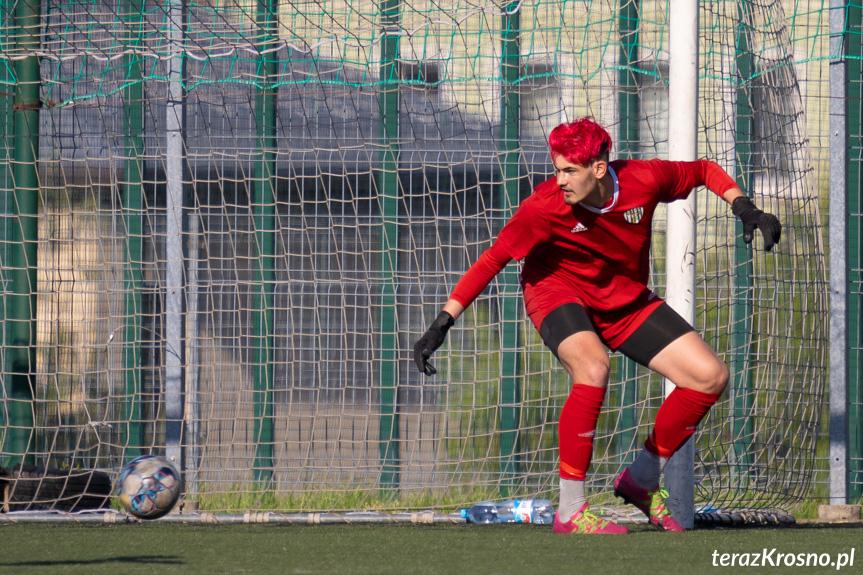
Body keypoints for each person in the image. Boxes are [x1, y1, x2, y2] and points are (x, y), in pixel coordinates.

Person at [412, 117, 781, 534]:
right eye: (557, 169)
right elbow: (492, 260)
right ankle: (571, 510)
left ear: (600, 169)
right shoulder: (544, 206)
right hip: (555, 289)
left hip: (621, 297)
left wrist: (745, 207)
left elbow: (703, 171)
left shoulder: (644, 178)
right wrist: (441, 323)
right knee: (593, 368)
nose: (560, 180)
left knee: (709, 377)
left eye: (570, 170)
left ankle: (641, 480)